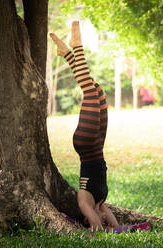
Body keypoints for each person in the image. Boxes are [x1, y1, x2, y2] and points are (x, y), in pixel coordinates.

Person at [50, 21, 119, 231]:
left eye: (96, 218)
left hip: (86, 144)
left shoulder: (85, 200)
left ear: (87, 218)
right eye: (103, 218)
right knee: (97, 90)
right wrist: (111, 226)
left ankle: (76, 47)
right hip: (99, 145)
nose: (103, 218)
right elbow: (116, 227)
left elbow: (97, 227)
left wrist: (97, 225)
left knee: (89, 91)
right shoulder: (101, 202)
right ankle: (67, 53)